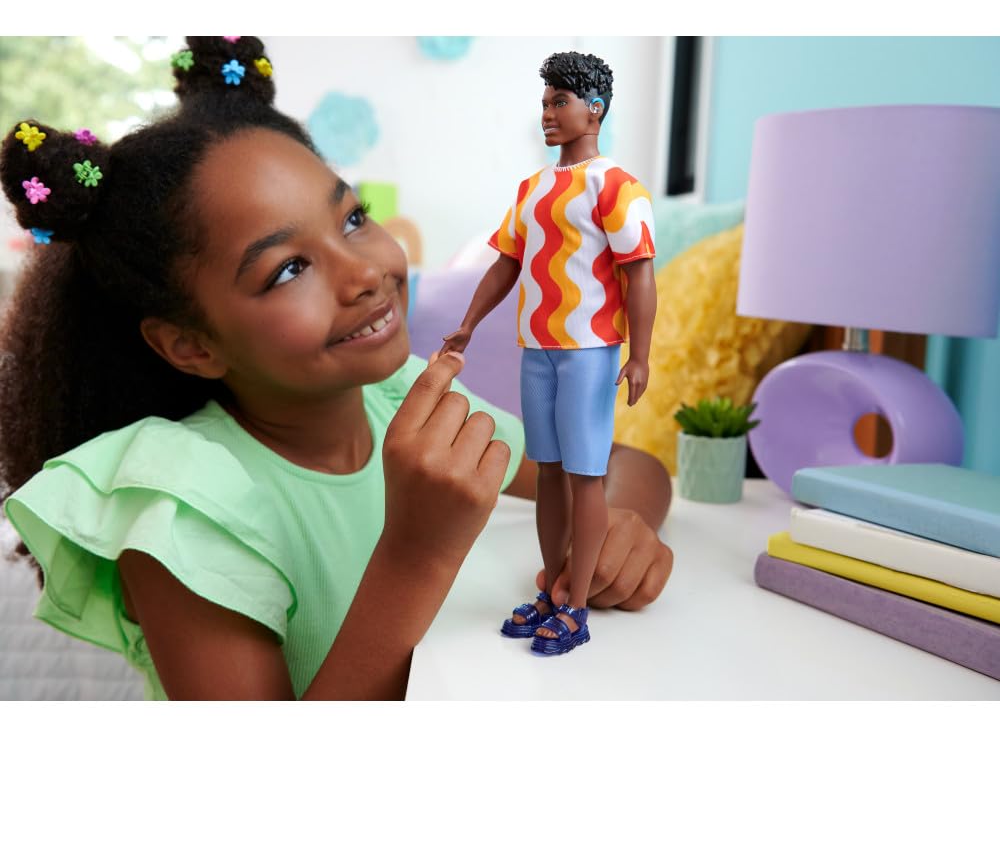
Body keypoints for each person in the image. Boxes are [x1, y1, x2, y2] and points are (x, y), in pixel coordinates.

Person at [0, 36, 672, 700]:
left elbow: (628, 466)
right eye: (289, 269)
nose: (365, 272)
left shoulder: (400, 395)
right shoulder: (184, 506)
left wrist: (616, 527)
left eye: (352, 219)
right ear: (190, 345)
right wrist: (416, 552)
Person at [440, 50, 664, 655]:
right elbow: (506, 263)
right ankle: (551, 590)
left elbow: (639, 273)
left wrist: (639, 355)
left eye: (559, 102)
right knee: (548, 472)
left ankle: (577, 604)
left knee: (586, 476)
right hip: (536, 348)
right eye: (544, 102)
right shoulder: (533, 188)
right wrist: (468, 324)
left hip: (589, 349)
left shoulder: (617, 186)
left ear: (595, 108)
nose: (547, 113)